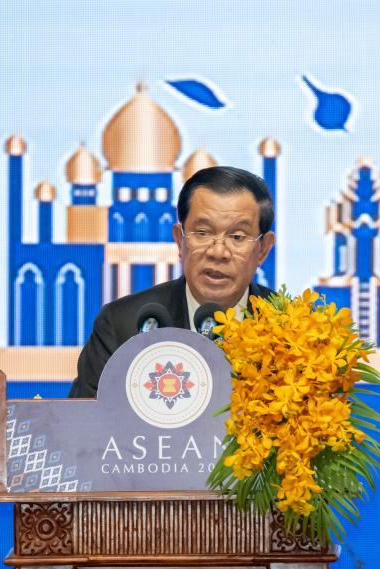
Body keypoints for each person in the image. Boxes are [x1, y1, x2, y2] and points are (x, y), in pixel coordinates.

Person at [68, 165, 276, 398]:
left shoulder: (291, 329)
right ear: (179, 240)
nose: (218, 252)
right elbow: (81, 417)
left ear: (263, 249)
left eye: (237, 236)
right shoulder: (121, 325)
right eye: (203, 233)